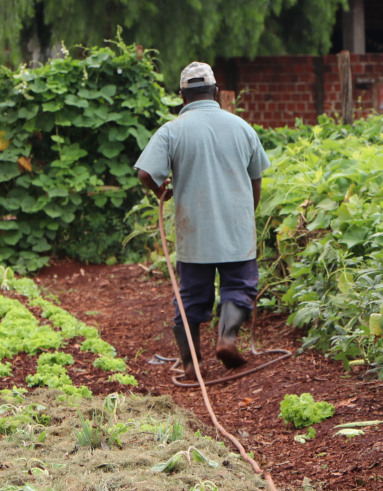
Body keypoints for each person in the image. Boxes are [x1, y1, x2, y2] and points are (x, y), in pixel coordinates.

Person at [134, 62, 271, 381]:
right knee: (239, 286)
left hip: (194, 232)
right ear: (217, 92)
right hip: (236, 232)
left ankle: (190, 363)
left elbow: (144, 173)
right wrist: (245, 219)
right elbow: (256, 181)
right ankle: (226, 339)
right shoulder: (242, 127)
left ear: (182, 96)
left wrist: (161, 190)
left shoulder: (172, 130)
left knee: (191, 295)